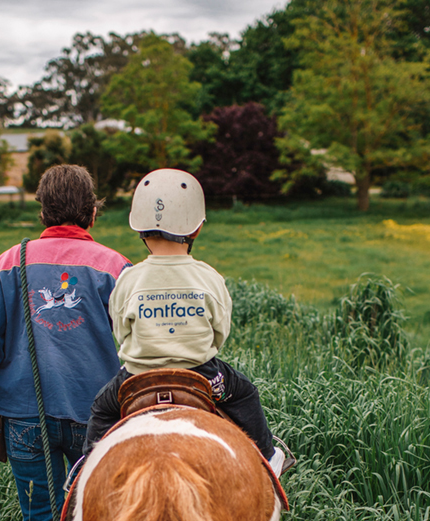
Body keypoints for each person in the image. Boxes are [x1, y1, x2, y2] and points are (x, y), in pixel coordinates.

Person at [0, 163, 131, 521]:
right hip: (99, 419)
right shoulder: (117, 267)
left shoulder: (11, 261)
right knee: (103, 518)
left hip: (25, 418)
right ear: (92, 213)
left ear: (42, 213)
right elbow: (137, 345)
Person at [83, 168, 285, 475]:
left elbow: (121, 332)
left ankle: (83, 475)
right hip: (203, 375)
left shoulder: (129, 279)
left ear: (139, 228)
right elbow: (220, 334)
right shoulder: (208, 277)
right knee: (245, 394)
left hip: (137, 378)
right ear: (197, 229)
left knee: (101, 408)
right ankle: (268, 459)